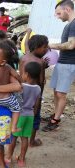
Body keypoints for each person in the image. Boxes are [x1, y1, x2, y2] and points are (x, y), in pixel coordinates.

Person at [43, 0, 75, 131]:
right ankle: (56, 114)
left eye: (59, 13)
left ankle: (56, 120)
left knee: (61, 93)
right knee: (56, 92)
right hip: (62, 62)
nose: (57, 16)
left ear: (67, 9)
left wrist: (50, 45)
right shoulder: (69, 25)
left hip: (69, 63)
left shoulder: (74, 24)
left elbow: (71, 45)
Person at [6, 62, 41, 168]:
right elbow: (37, 105)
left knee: (13, 138)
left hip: (19, 115)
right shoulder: (38, 88)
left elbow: (15, 101)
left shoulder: (21, 87)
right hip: (29, 115)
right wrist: (33, 115)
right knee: (24, 138)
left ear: (27, 74)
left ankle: (8, 158)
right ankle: (21, 159)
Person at [19, 33, 49, 146]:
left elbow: (21, 75)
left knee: (19, 114)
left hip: (21, 90)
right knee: (35, 117)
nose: (47, 50)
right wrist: (39, 97)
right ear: (37, 47)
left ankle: (16, 134)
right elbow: (41, 81)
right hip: (33, 93)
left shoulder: (23, 57)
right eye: (45, 47)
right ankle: (31, 141)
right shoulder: (40, 62)